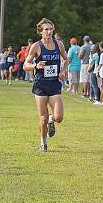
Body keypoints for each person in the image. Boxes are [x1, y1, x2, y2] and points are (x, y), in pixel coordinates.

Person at [24, 18, 68, 152]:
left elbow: (66, 60)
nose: (49, 32)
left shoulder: (59, 44)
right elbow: (26, 65)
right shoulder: (36, 46)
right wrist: (36, 65)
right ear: (41, 32)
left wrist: (62, 71)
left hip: (54, 84)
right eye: (46, 29)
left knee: (59, 117)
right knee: (42, 119)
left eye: (51, 29)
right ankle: (43, 144)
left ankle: (51, 119)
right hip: (41, 85)